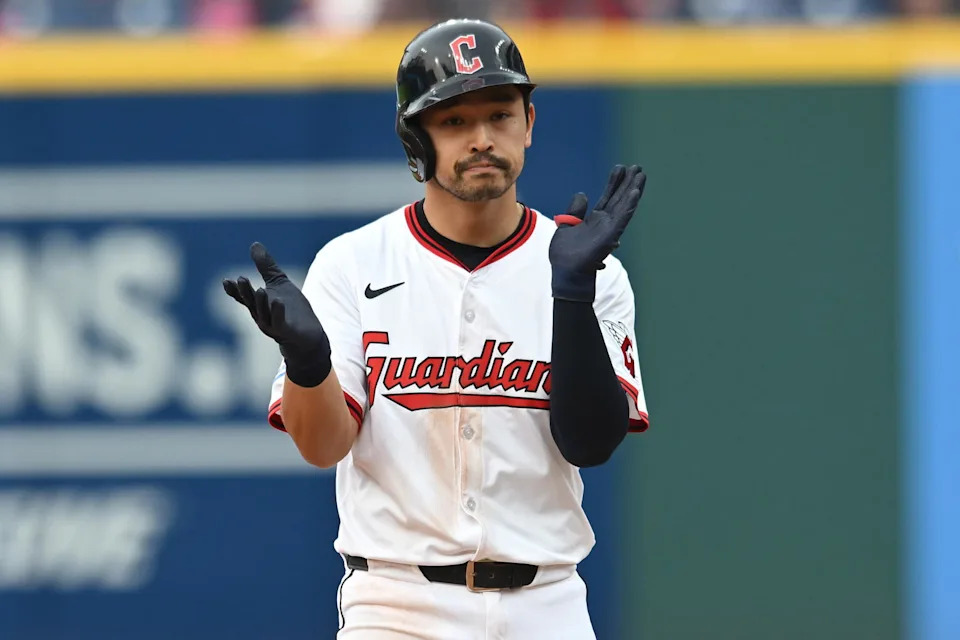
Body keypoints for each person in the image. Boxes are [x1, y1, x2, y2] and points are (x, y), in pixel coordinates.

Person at [223, 18, 649, 639]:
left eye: (500, 115)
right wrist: (308, 368)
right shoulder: (354, 262)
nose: (482, 138)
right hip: (397, 604)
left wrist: (573, 298)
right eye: (454, 121)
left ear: (529, 124)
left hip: (547, 604)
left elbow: (591, 445)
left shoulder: (586, 267)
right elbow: (321, 447)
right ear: (414, 140)